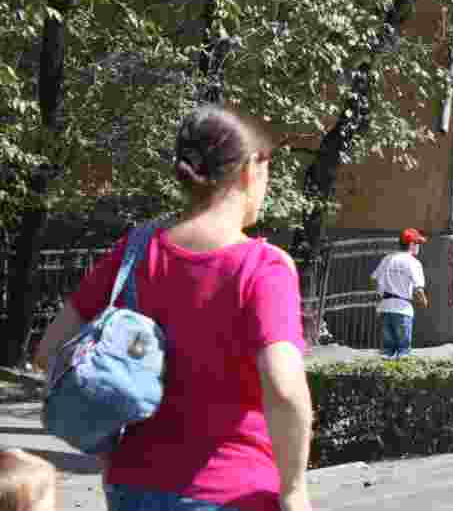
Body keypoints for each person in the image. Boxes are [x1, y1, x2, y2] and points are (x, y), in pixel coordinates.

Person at [33, 104, 313, 511]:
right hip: (231, 491)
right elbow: (284, 389)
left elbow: (49, 352)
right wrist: (294, 490)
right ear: (250, 170)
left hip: (132, 488)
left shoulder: (133, 252)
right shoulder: (263, 267)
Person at [371, 228, 429, 359]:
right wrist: (424, 301)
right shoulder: (413, 263)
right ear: (411, 244)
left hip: (385, 308)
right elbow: (418, 289)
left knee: (386, 352)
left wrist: (380, 293)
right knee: (403, 351)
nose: (419, 247)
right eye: (418, 243)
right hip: (403, 310)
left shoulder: (387, 259)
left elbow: (374, 279)